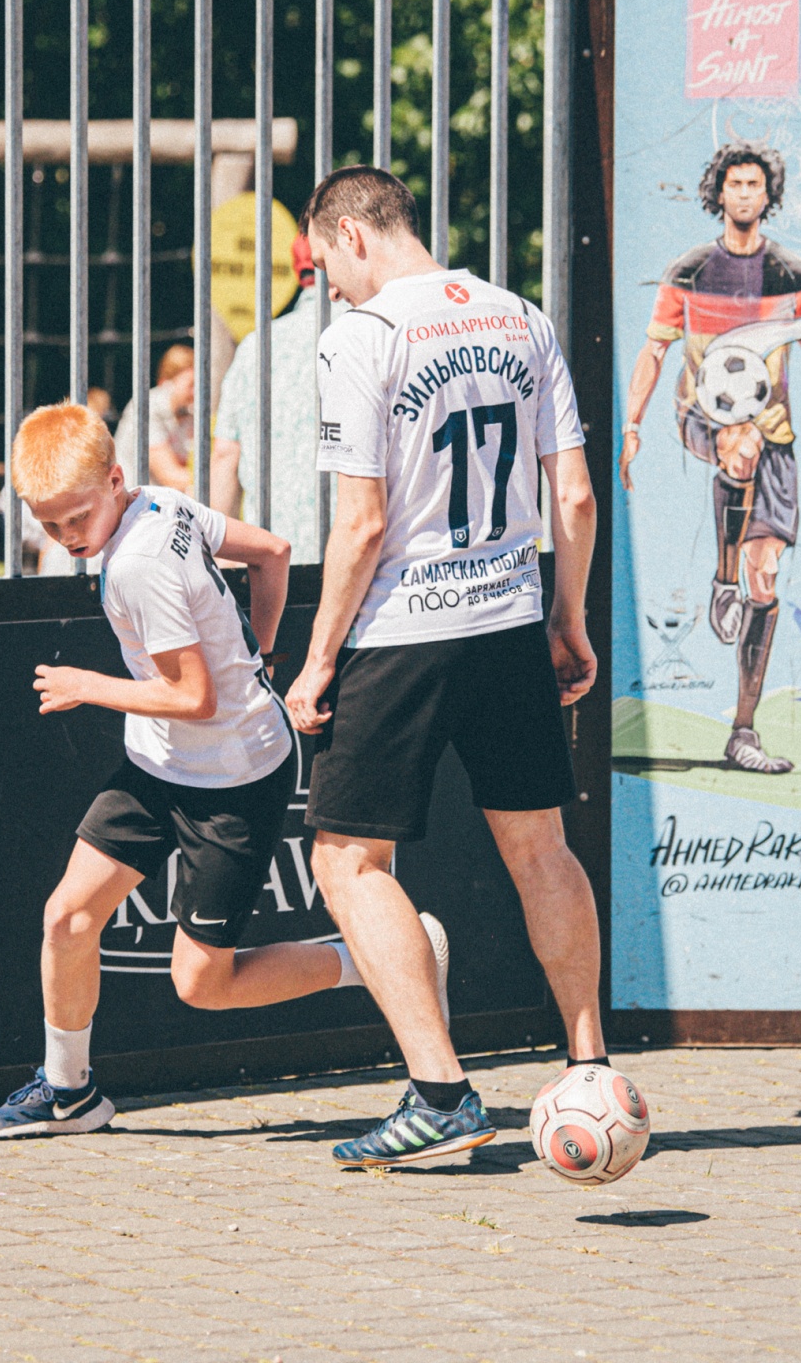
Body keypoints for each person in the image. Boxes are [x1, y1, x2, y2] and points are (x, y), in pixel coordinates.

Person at [0, 402, 438, 1137]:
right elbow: (273, 552)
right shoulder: (161, 502)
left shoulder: (136, 566)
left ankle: (381, 957)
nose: (67, 538)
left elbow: (194, 697)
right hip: (158, 766)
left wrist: (86, 685)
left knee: (202, 984)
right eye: (49, 524)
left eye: (77, 518)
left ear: (115, 480)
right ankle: (69, 1094)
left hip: (233, 781)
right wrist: (258, 654)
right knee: (67, 918)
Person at [284, 166, 605, 1168]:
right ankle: (591, 1068)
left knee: (347, 862)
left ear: (352, 233)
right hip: (510, 617)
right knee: (541, 847)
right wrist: (567, 618)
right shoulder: (522, 317)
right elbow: (576, 495)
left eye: (325, 266)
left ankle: (441, 1094)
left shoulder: (364, 337)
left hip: (404, 631)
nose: (329, 288)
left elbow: (362, 522)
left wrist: (318, 660)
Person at [619, 143, 801, 773]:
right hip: (702, 417)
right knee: (741, 444)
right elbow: (654, 352)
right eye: (733, 184)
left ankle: (743, 731)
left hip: (774, 435)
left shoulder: (791, 274)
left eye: (754, 185)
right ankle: (722, 579)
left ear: (768, 196)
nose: (743, 194)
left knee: (769, 579)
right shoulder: (689, 271)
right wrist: (632, 425)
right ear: (719, 193)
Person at [213, 234, 335, 561]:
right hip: (357, 554)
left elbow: (226, 453)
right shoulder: (371, 336)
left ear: (297, 272)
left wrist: (218, 554)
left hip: (272, 556)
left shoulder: (256, 346)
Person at [114, 343, 198, 490]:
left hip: (162, 496)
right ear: (167, 382)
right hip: (131, 497)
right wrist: (217, 478)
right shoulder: (147, 407)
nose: (196, 392)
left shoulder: (189, 411)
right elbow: (170, 476)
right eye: (191, 385)